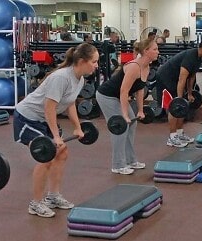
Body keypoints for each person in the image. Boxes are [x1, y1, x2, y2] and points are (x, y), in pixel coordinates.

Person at [13, 43, 99, 218]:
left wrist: (77, 126)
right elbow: (49, 108)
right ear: (82, 61)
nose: (97, 65)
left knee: (62, 152)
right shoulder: (61, 77)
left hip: (43, 119)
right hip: (27, 117)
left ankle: (53, 197)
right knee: (46, 156)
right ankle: (36, 204)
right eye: (94, 62)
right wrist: (55, 136)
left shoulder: (79, 79)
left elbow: (70, 104)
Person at [96, 39, 158, 175]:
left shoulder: (146, 67)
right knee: (121, 128)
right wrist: (124, 115)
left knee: (132, 125)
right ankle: (118, 165)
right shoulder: (134, 66)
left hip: (118, 97)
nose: (157, 52)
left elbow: (140, 90)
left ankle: (130, 160)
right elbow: (124, 91)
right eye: (155, 49)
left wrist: (141, 110)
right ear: (146, 51)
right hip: (106, 96)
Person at [156, 38, 202, 147]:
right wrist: (179, 99)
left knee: (182, 106)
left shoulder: (198, 58)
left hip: (175, 80)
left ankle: (179, 133)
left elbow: (191, 77)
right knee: (174, 107)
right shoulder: (190, 56)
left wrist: (189, 93)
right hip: (165, 78)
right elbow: (182, 78)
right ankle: (172, 137)